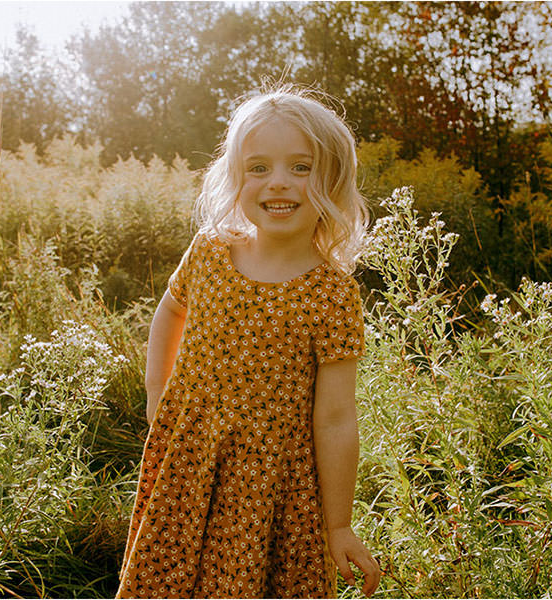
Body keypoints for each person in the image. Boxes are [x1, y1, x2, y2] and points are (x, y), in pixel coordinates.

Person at [116, 85, 381, 598]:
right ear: (235, 176)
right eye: (258, 168)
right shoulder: (211, 253)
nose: (277, 183)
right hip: (189, 462)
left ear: (333, 178)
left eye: (301, 168)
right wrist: (157, 392)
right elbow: (172, 308)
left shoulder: (333, 295)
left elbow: (335, 417)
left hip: (273, 485)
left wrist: (339, 525)